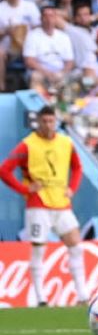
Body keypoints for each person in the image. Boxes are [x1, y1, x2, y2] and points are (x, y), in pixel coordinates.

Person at [0, 106, 88, 306]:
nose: (48, 125)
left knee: (75, 245)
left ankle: (83, 295)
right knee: (39, 248)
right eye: (44, 121)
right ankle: (41, 298)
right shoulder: (27, 145)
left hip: (62, 202)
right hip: (38, 204)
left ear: (55, 121)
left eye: (51, 121)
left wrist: (72, 188)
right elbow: (4, 170)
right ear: (38, 122)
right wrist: (25, 189)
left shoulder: (66, 143)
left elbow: (77, 167)